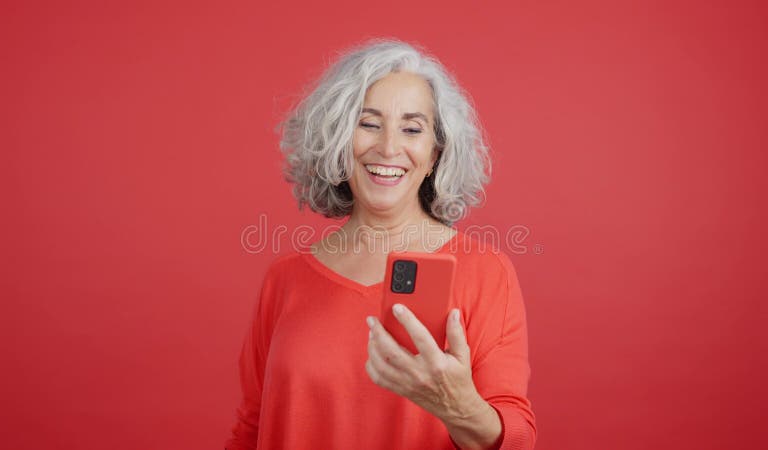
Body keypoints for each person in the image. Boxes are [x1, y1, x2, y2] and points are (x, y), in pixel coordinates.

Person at [225, 38, 537, 450]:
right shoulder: (284, 280)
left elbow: (517, 440)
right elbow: (251, 429)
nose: (389, 148)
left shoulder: (485, 273)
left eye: (412, 128)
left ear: (434, 152)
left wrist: (458, 406)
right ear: (337, 136)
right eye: (368, 123)